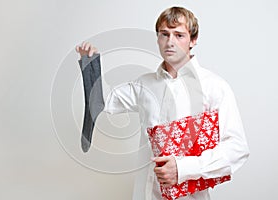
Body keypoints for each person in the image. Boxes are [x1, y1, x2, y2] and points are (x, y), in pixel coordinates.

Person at [76, 6, 249, 200]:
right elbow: (103, 102)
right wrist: (91, 66)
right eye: (164, 34)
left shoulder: (214, 87)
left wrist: (184, 168)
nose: (170, 42)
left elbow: (237, 148)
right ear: (157, 38)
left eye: (179, 35)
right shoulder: (144, 84)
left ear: (193, 40)